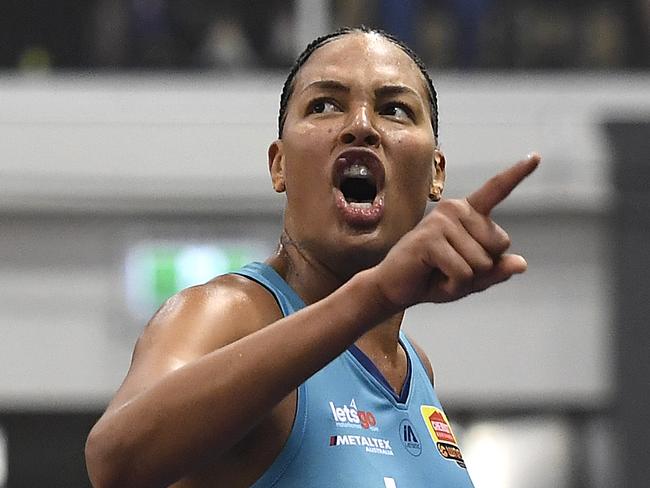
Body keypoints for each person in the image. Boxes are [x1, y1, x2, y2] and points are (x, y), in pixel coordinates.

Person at [85, 26, 540, 487]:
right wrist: (373, 294)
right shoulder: (227, 312)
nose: (361, 125)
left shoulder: (414, 367)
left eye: (394, 110)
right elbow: (115, 461)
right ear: (278, 164)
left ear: (435, 174)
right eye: (324, 105)